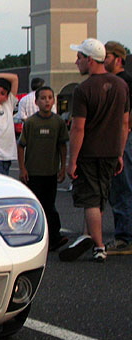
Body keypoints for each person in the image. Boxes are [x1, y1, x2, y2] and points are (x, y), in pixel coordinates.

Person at [59, 38, 130, 262]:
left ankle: (98, 246)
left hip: (90, 152)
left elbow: (78, 128)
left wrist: (72, 160)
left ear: (90, 60)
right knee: (102, 197)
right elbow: (124, 123)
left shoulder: (84, 89)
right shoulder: (121, 85)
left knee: (90, 199)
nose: (76, 62)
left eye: (79, 57)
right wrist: (119, 152)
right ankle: (91, 237)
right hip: (111, 151)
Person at [17, 86, 69, 251]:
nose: (46, 101)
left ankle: (55, 237)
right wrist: (22, 168)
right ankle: (33, 239)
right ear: (36, 101)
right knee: (35, 206)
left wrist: (62, 168)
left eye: (49, 98)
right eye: (43, 98)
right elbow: (21, 146)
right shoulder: (31, 122)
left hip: (50, 172)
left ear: (53, 101)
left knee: (50, 205)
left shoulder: (58, 122)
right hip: (33, 172)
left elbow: (62, 146)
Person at [103, 40, 132, 255]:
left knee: (122, 187)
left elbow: (126, 118)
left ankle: (124, 238)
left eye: (107, 56)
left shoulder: (123, 82)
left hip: (124, 139)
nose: (103, 60)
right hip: (122, 138)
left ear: (117, 58)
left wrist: (120, 146)